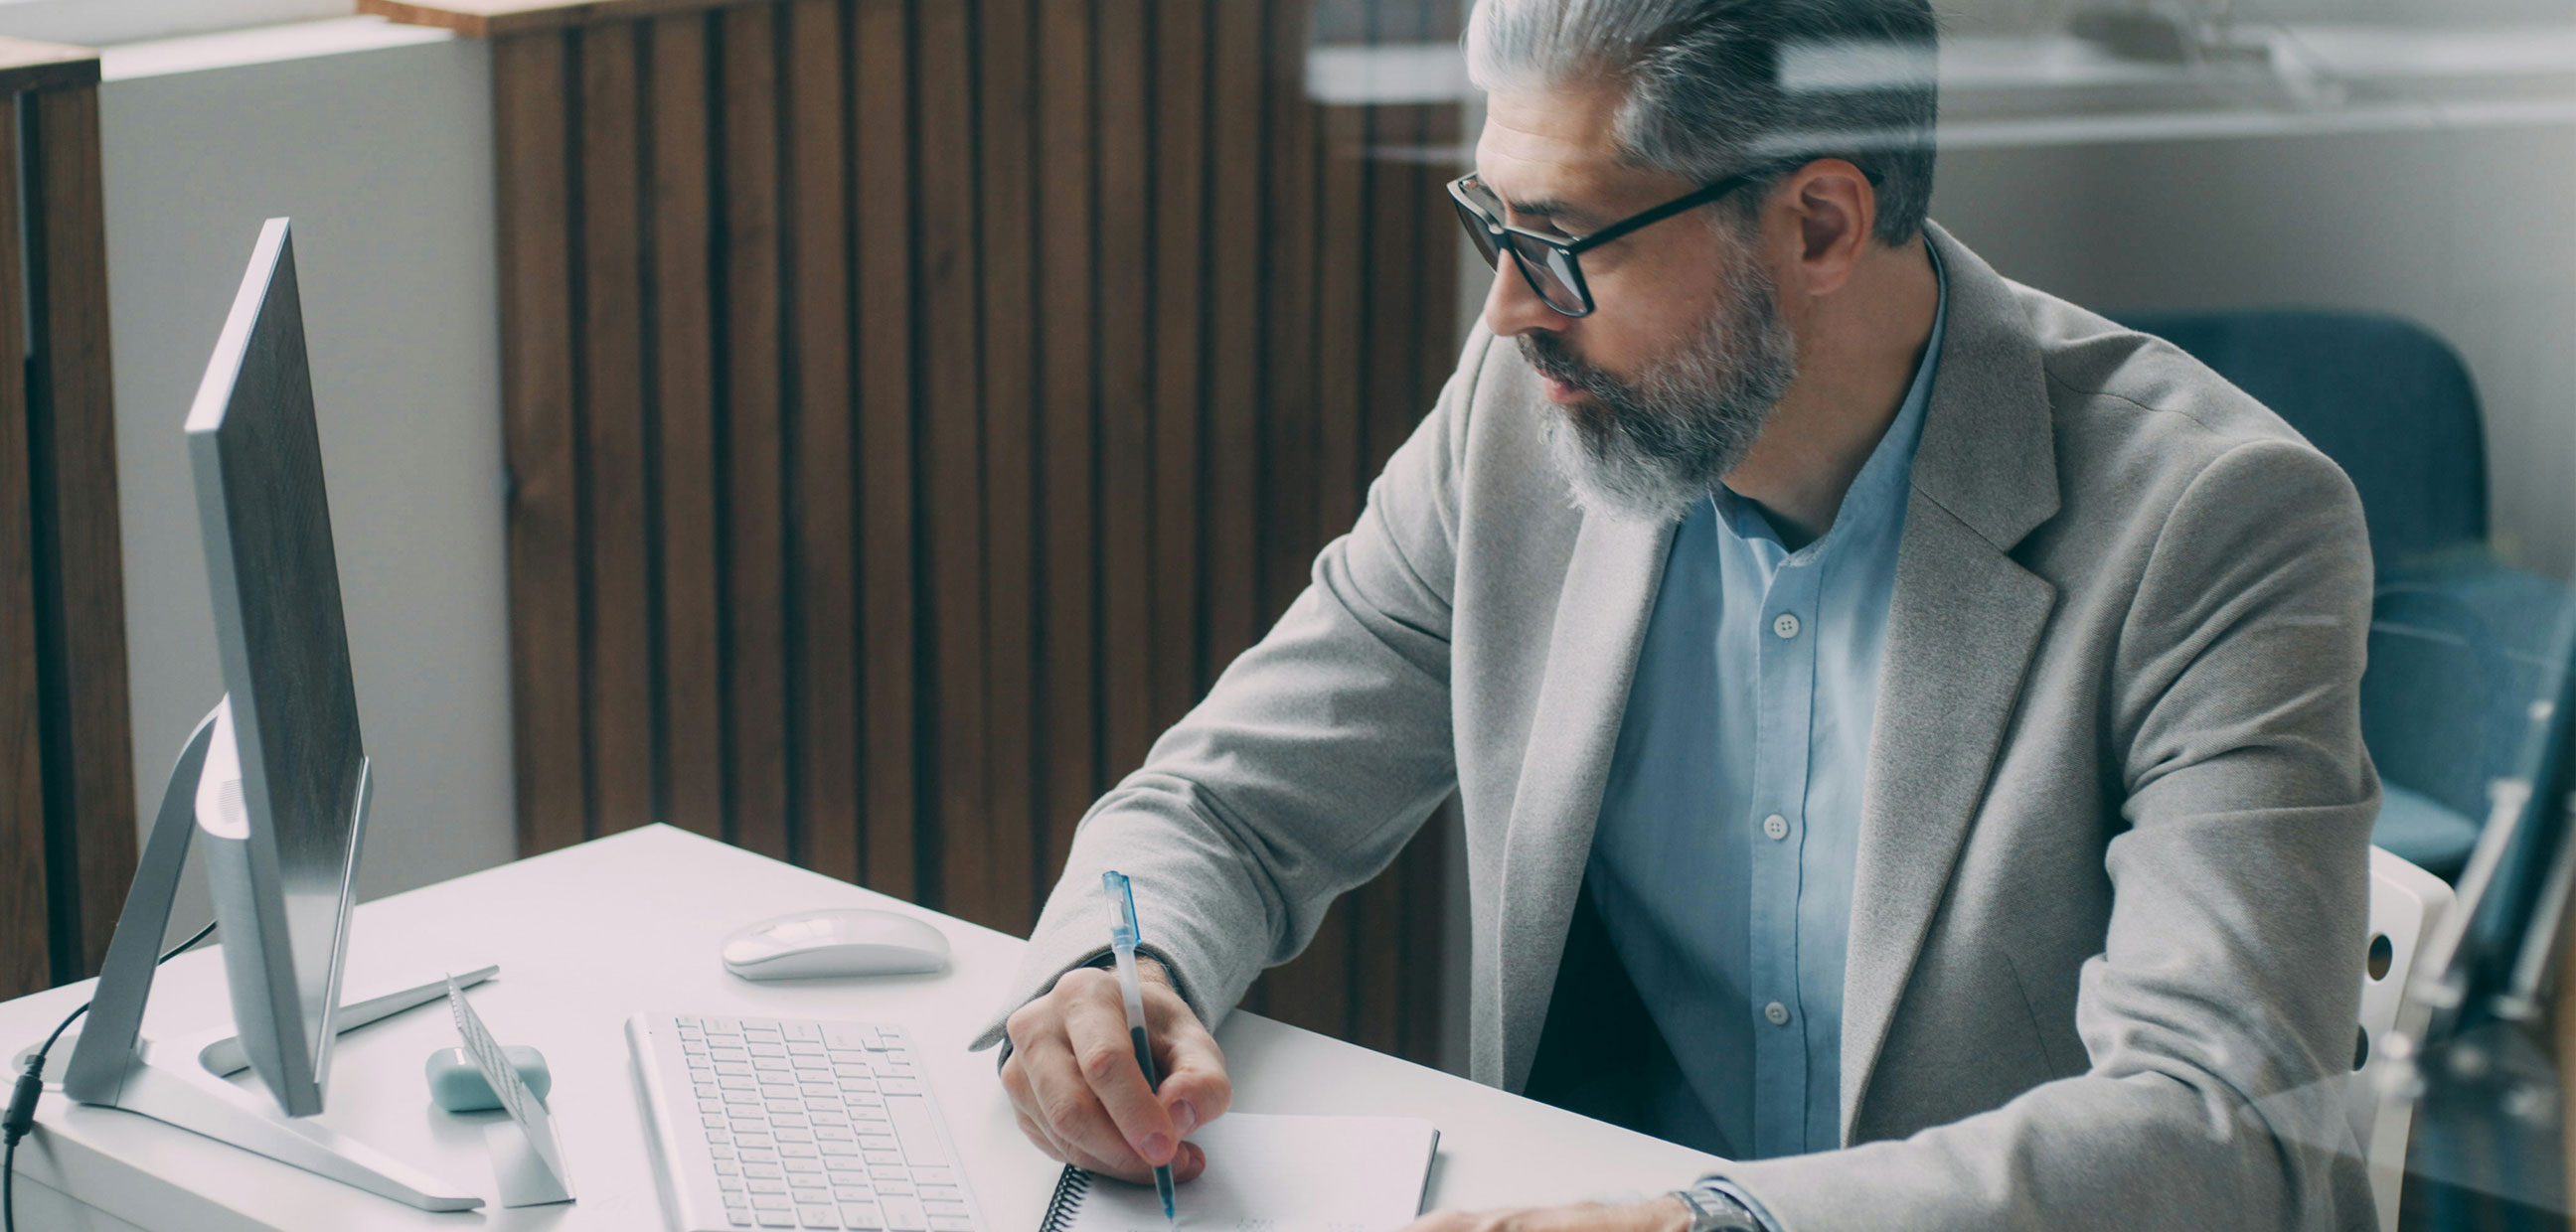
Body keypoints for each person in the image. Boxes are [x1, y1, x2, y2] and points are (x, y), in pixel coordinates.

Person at [973, 1, 2380, 1228]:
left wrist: (1716, 1227)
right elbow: (1230, 806)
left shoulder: (2217, 523)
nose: (1512, 308)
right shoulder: (1525, 416)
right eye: (1495, 224)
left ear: (1820, 222)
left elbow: (2220, 1132)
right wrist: (1116, 964)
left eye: (1568, 240)